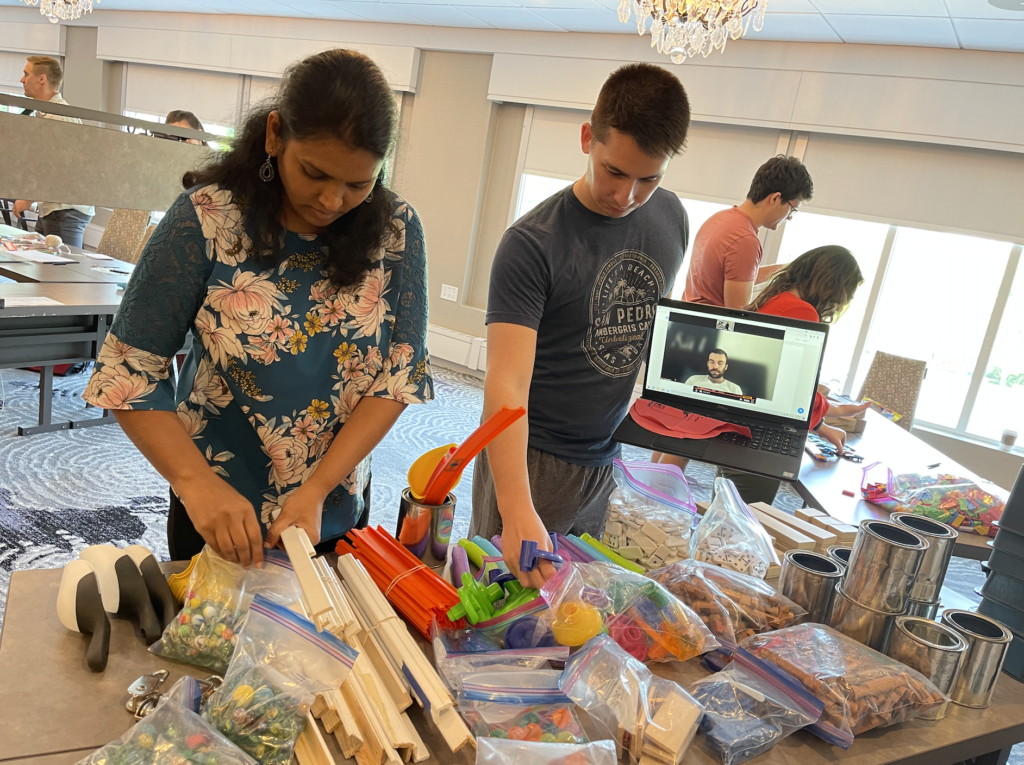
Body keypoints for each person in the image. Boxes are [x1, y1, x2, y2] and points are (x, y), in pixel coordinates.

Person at [83, 49, 432, 568]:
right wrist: (195, 484)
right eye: (314, 172)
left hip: (332, 500)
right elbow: (130, 371)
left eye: (359, 183)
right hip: (218, 503)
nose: (333, 200)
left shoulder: (395, 231)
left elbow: (396, 377)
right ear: (274, 135)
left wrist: (316, 488)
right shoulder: (206, 219)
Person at [468, 63, 692, 588]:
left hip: (605, 458)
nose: (629, 195)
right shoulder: (532, 244)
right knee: (500, 615)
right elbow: (505, 386)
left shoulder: (671, 219)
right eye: (615, 171)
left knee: (576, 610)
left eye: (649, 178)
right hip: (531, 458)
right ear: (589, 138)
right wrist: (517, 505)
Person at [714, 245, 871, 504]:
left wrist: (824, 422)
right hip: (760, 436)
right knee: (741, 524)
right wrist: (836, 413)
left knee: (725, 511)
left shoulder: (776, 299)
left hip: (739, 428)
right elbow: (789, 390)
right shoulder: (801, 311)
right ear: (831, 286)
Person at [683, 155, 813, 309]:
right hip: (708, 328)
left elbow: (737, 277)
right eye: (792, 209)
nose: (790, 217)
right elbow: (738, 315)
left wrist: (787, 269)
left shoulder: (720, 219)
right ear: (776, 198)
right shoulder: (745, 240)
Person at [11, 56, 95, 247]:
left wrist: (28, 197)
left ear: (42, 78)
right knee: (42, 269)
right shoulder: (45, 114)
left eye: (26, 73)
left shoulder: (59, 118)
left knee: (61, 272)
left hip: (65, 210)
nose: (22, 80)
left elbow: (59, 167)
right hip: (52, 208)